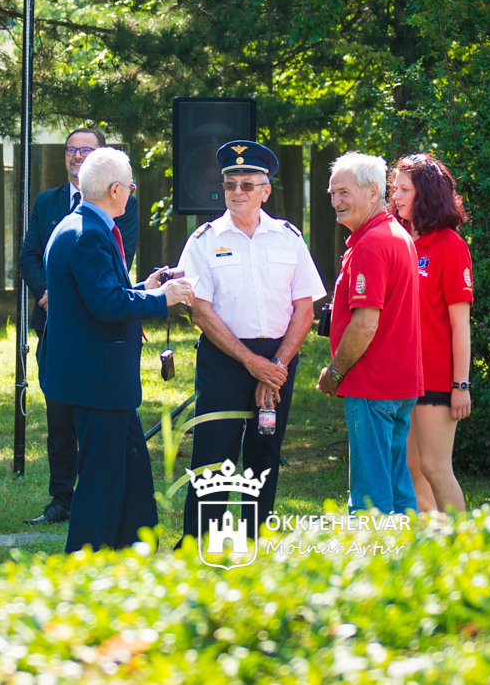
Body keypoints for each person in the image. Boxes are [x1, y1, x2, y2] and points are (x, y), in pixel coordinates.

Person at [40, 148, 192, 552]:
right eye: (130, 186)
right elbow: (106, 305)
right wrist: (164, 299)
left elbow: (106, 292)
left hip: (99, 374)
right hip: (96, 375)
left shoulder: (83, 224)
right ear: (114, 189)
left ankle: (135, 545)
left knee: (132, 463)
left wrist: (148, 287)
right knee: (102, 471)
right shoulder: (89, 233)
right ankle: (86, 558)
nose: (131, 192)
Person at [176, 142, 323, 543]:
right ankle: (198, 542)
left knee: (264, 452)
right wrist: (250, 363)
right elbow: (201, 312)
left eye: (247, 184)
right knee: (213, 454)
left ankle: (254, 539)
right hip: (225, 360)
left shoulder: (288, 238)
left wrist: (273, 367)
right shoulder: (203, 240)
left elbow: (305, 309)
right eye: (230, 185)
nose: (237, 192)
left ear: (265, 191)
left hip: (278, 359)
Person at [19, 127, 139, 526]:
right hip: (59, 323)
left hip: (97, 334)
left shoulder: (121, 210)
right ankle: (63, 497)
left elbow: (116, 261)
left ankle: (98, 503)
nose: (77, 155)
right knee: (60, 417)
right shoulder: (50, 203)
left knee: (99, 429)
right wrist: (51, 291)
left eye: (86, 150)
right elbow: (29, 256)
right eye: (71, 149)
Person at [316, 151, 422, 514]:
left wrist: (335, 372)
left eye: (343, 192)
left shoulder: (372, 243)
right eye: (332, 194)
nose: (335, 201)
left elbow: (365, 324)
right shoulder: (396, 234)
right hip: (398, 382)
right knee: (396, 485)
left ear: (373, 191)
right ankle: (411, 564)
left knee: (369, 497)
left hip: (373, 383)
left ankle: (371, 566)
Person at [390, 153, 472, 513]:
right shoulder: (395, 239)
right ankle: (433, 547)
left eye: (404, 189)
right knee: (411, 468)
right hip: (402, 375)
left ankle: (467, 547)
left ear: (426, 194)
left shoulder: (450, 245)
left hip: (438, 377)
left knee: (435, 467)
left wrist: (461, 385)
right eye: (394, 188)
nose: (395, 196)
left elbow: (460, 324)